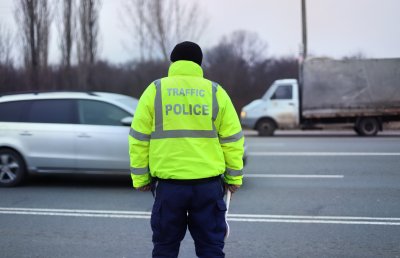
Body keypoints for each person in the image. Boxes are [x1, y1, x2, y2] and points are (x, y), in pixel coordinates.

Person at [128, 41, 244, 258]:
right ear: (199, 64)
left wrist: (140, 178)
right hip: (207, 186)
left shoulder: (155, 90)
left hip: (169, 188)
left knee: (165, 248)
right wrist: (234, 178)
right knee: (211, 248)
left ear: (173, 62)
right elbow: (233, 139)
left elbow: (138, 138)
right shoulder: (215, 91)